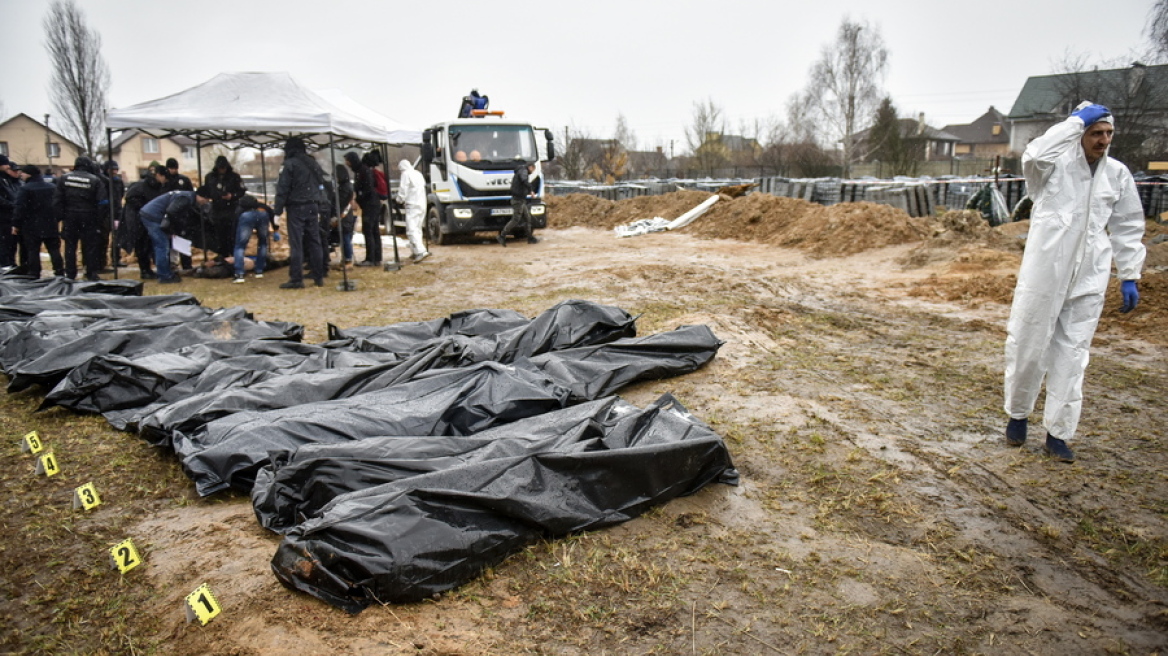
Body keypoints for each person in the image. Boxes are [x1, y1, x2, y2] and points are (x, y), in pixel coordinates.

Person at [1003, 102, 1146, 463]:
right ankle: (1018, 414)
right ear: (1080, 133)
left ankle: (1058, 433)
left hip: (1089, 276)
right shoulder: (1052, 168)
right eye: (1096, 132)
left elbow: (1128, 225)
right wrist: (1074, 122)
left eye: (1108, 133)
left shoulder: (1117, 174)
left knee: (1074, 352)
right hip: (1045, 273)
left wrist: (1129, 273)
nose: (1103, 140)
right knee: (1028, 344)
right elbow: (1034, 154)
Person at [273, 137, 326, 289]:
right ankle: (318, 276)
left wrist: (277, 211)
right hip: (313, 204)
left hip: (296, 206)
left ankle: (296, 279)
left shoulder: (289, 164)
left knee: (296, 243)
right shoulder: (313, 163)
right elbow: (321, 184)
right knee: (315, 241)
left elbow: (283, 188)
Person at [138, 186, 212, 284]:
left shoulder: (187, 197)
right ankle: (164, 276)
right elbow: (172, 212)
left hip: (152, 214)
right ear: (200, 196)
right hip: (153, 217)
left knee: (162, 246)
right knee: (162, 246)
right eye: (206, 199)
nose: (206, 202)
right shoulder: (185, 199)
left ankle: (165, 272)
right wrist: (173, 229)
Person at [54, 156, 108, 281]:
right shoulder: (95, 180)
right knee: (90, 246)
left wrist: (60, 217)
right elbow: (103, 202)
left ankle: (70, 273)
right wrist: (99, 220)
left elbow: (57, 200)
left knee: (70, 246)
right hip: (89, 216)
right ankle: (91, 272)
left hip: (70, 216)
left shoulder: (64, 178)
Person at [11, 165, 64, 278]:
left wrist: (16, 224)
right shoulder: (52, 187)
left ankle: (34, 273)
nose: (21, 175)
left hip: (31, 225)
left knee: (33, 251)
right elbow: (59, 204)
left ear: (29, 174)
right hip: (50, 224)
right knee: (54, 250)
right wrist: (57, 218)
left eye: (23, 173)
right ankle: (59, 272)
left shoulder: (25, 189)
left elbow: (20, 208)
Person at [123, 166, 168, 279]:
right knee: (142, 245)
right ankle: (144, 270)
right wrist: (146, 208)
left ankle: (148, 269)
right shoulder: (141, 186)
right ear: (159, 175)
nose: (165, 181)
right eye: (164, 178)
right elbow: (130, 198)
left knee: (148, 245)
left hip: (149, 219)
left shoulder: (157, 187)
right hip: (139, 220)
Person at [204, 155, 245, 262]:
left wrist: (232, 196)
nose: (222, 170)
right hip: (216, 209)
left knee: (232, 234)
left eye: (223, 168)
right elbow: (206, 191)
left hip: (231, 209)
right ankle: (222, 254)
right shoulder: (210, 177)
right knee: (219, 234)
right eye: (220, 168)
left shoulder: (234, 177)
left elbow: (241, 191)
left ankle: (233, 254)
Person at [345, 151, 381, 267]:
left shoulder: (362, 171)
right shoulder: (362, 170)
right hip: (372, 203)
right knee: (374, 231)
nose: (347, 163)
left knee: (369, 230)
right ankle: (376, 257)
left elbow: (367, 188)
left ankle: (371, 258)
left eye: (347, 161)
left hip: (370, 204)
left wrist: (358, 198)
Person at [231, 194, 276, 283]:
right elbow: (271, 214)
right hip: (262, 215)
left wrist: (233, 235)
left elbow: (235, 222)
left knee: (240, 246)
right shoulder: (263, 206)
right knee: (263, 243)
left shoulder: (240, 209)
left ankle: (239, 273)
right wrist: (275, 229)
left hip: (246, 217)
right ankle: (260, 270)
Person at [394, 159, 429, 263]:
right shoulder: (418, 173)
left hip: (412, 205)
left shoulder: (405, 174)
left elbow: (403, 190)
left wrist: (398, 200)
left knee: (411, 229)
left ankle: (420, 251)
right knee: (418, 228)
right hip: (422, 204)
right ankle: (415, 251)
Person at [498, 160, 539, 247]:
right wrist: (531, 190)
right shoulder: (523, 171)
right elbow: (524, 180)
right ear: (530, 167)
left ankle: (530, 238)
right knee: (516, 219)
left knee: (527, 218)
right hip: (518, 200)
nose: (532, 172)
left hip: (521, 200)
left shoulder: (521, 170)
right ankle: (502, 235)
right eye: (533, 170)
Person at [0, 154, 23, 269]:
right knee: (4, 242)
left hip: (10, 216)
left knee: (11, 242)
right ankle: (5, 264)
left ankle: (11, 262)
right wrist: (12, 205)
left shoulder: (8, 180)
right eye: (5, 164)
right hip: (3, 216)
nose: (8, 166)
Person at [102, 160, 126, 269]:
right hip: (106, 213)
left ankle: (116, 259)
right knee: (104, 238)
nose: (115, 172)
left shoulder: (118, 182)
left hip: (117, 213)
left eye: (116, 169)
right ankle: (103, 261)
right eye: (112, 169)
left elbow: (121, 195)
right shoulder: (103, 181)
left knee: (117, 238)